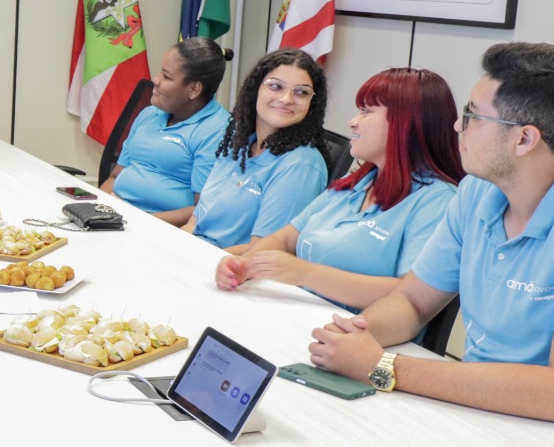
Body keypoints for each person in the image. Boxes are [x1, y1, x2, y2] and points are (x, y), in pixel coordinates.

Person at [309, 42, 554, 447]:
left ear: (524, 139)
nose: (456, 128)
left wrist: (383, 367)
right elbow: (412, 301)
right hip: (491, 419)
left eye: (471, 117)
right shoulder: (477, 193)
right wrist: (357, 338)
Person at [215, 66, 464, 310]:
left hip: (353, 336)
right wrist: (245, 265)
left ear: (406, 124)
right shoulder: (359, 182)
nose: (353, 122)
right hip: (295, 312)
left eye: (366, 112)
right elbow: (286, 237)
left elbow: (411, 296)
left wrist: (306, 274)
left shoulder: (437, 201)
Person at [188, 47, 329, 250]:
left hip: (228, 270)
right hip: (193, 253)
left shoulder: (301, 165)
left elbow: (262, 251)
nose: (287, 99)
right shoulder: (239, 144)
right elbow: (195, 221)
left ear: (312, 102)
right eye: (276, 86)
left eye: (301, 92)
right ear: (256, 90)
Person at [101, 38, 231, 226]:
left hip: (160, 229)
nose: (155, 80)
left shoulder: (216, 131)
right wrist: (95, 209)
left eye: (167, 76)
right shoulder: (149, 114)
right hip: (117, 217)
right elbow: (115, 177)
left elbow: (203, 208)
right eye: (160, 71)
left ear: (194, 89)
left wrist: (136, 221)